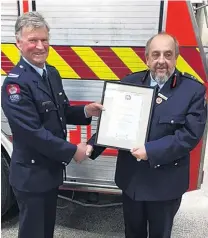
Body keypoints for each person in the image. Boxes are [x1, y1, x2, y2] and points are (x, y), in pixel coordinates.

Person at [86, 32, 207, 238]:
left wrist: (150, 151)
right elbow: (115, 122)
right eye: (156, 54)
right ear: (147, 58)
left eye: (168, 55)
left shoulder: (192, 90)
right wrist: (93, 145)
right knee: (133, 232)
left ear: (176, 57)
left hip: (165, 183)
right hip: (132, 179)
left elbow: (189, 135)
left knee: (160, 234)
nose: (162, 61)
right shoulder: (129, 83)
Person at [1, 12, 103, 238]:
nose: (40, 46)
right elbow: (32, 133)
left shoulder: (51, 73)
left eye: (44, 40)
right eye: (32, 40)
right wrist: (73, 151)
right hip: (31, 175)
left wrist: (86, 110)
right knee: (33, 233)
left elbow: (61, 111)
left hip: (50, 172)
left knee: (46, 230)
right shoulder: (15, 85)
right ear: (18, 43)